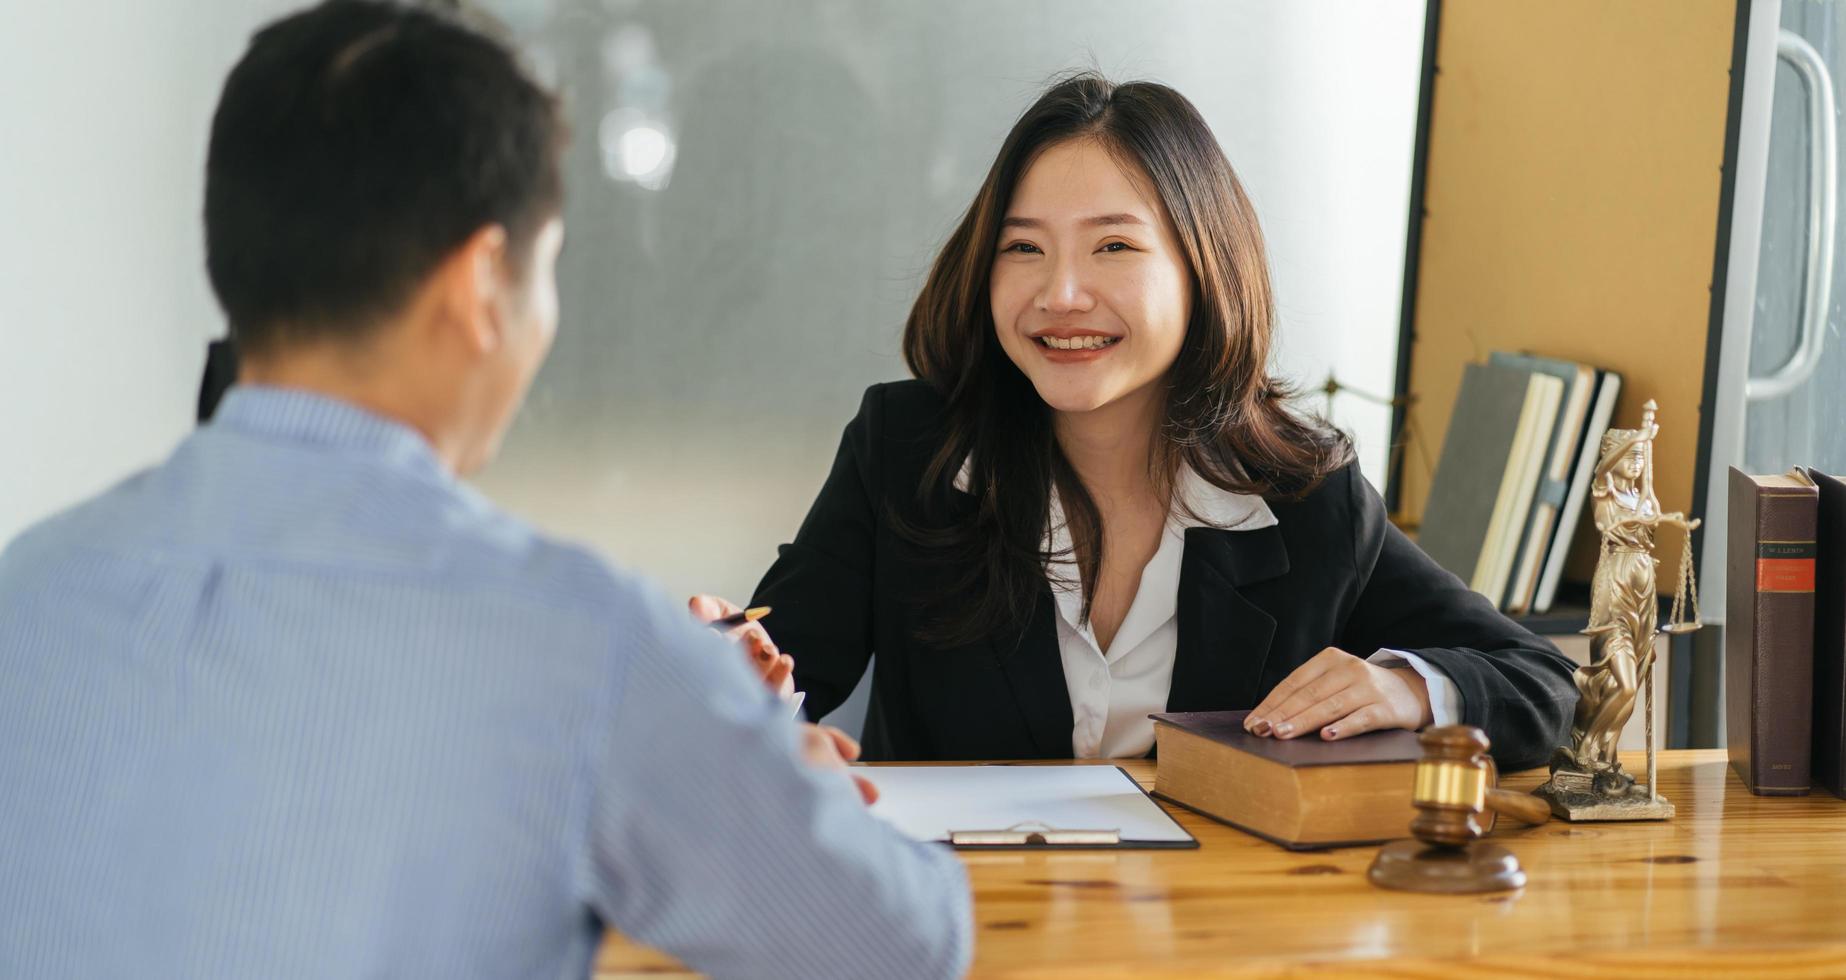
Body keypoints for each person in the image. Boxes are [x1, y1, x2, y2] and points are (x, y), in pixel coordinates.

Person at [0, 3, 969, 978]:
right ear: (480, 284)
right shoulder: (586, 641)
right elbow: (902, 942)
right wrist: (775, 778)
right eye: (545, 270)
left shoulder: (28, 590)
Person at [700, 73, 1577, 769]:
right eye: (1023, 248)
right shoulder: (908, 452)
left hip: (1206, 932)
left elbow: (1541, 682)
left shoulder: (1306, 495)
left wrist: (1410, 690)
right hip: (954, 920)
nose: (1060, 294)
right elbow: (783, 672)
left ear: (1202, 268)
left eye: (1114, 246)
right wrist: (727, 677)